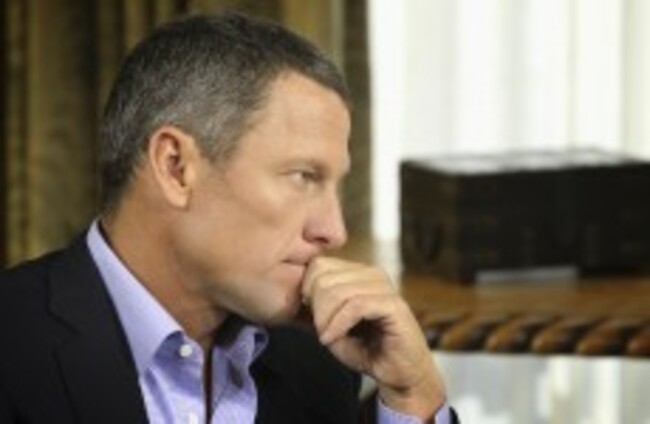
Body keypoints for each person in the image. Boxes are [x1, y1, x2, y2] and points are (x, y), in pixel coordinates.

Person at [0, 12, 458, 424]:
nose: (334, 231)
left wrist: (412, 396)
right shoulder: (13, 348)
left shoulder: (321, 359)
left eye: (335, 185)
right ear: (176, 167)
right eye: (303, 176)